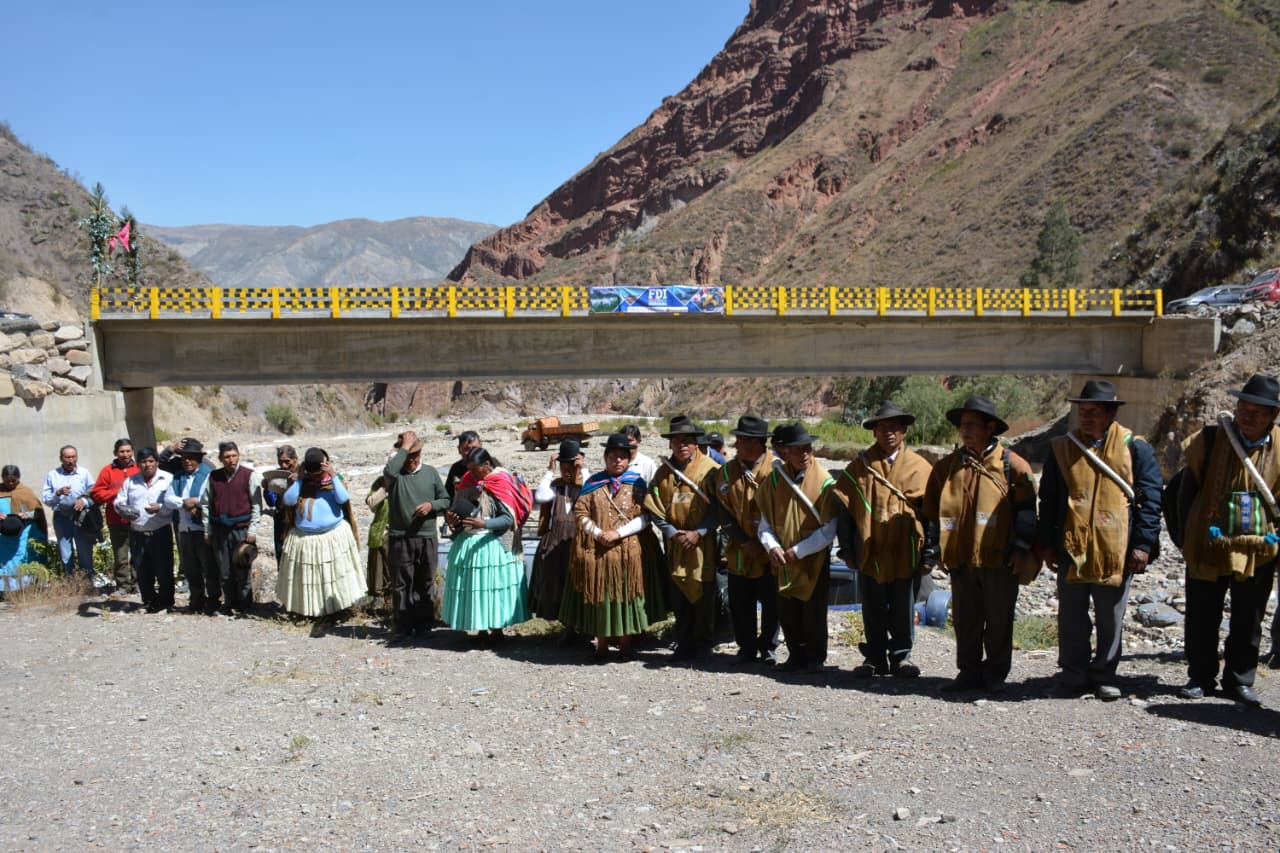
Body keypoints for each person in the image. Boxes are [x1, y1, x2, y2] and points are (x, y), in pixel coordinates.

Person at [1037, 380, 1162, 701]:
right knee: (1071, 615)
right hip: (1072, 547)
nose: (1086, 418)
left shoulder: (1135, 448)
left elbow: (1150, 498)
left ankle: (1105, 674)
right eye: (1083, 412)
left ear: (1110, 414)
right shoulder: (1063, 448)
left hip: (1116, 550)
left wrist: (1144, 543)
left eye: (1094, 412)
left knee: (1111, 616)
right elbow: (1049, 499)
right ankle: (1073, 674)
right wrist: (1047, 543)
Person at [1175, 374, 1280, 706]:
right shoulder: (1207, 440)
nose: (1247, 415)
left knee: (1249, 617)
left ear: (1273, 415)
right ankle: (1200, 676)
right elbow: (1182, 493)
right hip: (1208, 544)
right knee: (1202, 612)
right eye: (1243, 407)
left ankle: (1239, 679)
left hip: (1258, 548)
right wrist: (1185, 538)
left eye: (1257, 411)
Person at [924, 395, 1037, 695]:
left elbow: (1027, 511)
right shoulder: (947, 467)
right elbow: (931, 510)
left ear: (990, 428)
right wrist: (934, 550)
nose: (966, 430)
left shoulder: (1013, 466)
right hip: (961, 559)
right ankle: (969, 672)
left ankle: (996, 674)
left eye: (973, 425)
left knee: (999, 619)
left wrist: (1021, 547)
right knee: (965, 619)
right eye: (963, 425)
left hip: (999, 559)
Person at [831, 402, 934, 679]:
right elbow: (846, 512)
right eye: (883, 427)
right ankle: (875, 658)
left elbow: (931, 514)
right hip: (870, 548)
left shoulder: (920, 468)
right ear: (874, 431)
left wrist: (930, 554)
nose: (889, 432)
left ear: (903, 432)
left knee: (903, 605)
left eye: (895, 427)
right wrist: (847, 549)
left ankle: (901, 658)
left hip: (906, 548)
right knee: (873, 606)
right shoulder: (859, 467)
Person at [560, 433, 651, 661]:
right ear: (605, 457)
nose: (617, 461)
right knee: (601, 597)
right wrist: (599, 533)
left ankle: (625, 645)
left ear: (628, 459)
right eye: (613, 456)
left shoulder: (637, 484)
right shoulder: (593, 484)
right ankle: (601, 645)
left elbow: (645, 517)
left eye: (622, 457)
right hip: (599, 552)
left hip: (627, 552)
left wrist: (618, 533)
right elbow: (580, 513)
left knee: (627, 597)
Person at [645, 415, 720, 663]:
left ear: (696, 443)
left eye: (687, 440)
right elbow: (653, 506)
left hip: (703, 544)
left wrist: (699, 533)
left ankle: (704, 644)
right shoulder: (663, 473)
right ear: (670, 444)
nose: (682, 445)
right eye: (677, 440)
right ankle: (684, 642)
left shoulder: (711, 470)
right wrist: (670, 532)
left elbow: (721, 508)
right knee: (680, 594)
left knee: (703, 594)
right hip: (675, 543)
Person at [442, 448, 530, 643]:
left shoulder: (500, 482)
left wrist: (485, 524)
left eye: (476, 469)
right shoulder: (467, 483)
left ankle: (497, 629)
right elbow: (457, 512)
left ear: (488, 465)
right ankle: (481, 630)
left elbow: (508, 518)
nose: (472, 474)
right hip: (469, 543)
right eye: (470, 469)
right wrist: (452, 519)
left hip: (494, 544)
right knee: (477, 590)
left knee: (493, 588)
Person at [710, 415, 779, 665]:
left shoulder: (777, 469)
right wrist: (743, 540)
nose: (737, 444)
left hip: (771, 549)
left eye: (743, 440)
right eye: (737, 439)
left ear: (759, 443)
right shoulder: (726, 472)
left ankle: (769, 647)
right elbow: (723, 511)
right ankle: (746, 648)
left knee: (772, 602)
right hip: (739, 550)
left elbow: (784, 512)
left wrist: (765, 543)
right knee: (741, 603)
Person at [276, 448, 364, 618]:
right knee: (310, 580)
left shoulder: (334, 482)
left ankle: (336, 610)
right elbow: (288, 500)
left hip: (332, 538)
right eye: (313, 473)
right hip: (306, 540)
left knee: (333, 577)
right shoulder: (302, 483)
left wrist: (333, 475)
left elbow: (343, 498)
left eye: (319, 472)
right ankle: (309, 612)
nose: (316, 477)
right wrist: (300, 481)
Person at [383, 430, 450, 639]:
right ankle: (403, 625)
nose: (412, 460)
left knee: (425, 581)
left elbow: (446, 500)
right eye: (408, 456)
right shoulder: (395, 475)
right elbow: (389, 472)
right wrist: (403, 448)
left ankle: (424, 625)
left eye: (415, 455)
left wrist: (431, 505)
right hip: (401, 537)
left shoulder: (430, 473)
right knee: (402, 583)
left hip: (427, 536)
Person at [528, 440, 587, 627]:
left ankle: (582, 628)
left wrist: (584, 471)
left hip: (578, 543)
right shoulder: (556, 487)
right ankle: (567, 629)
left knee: (579, 585)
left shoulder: (586, 486)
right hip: (557, 544)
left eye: (572, 466)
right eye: (564, 467)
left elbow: (592, 492)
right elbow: (541, 496)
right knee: (557, 586)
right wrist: (549, 471)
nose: (568, 471)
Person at [201, 441, 262, 616]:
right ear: (221, 458)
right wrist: (207, 530)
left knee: (242, 568)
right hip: (220, 530)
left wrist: (253, 530)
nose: (231, 460)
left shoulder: (249, 476)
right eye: (227, 457)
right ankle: (229, 603)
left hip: (242, 530)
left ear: (238, 456)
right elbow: (206, 504)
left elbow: (256, 505)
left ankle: (245, 605)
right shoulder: (213, 477)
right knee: (225, 571)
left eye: (234, 456)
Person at [114, 448, 176, 613]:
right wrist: (121, 507)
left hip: (160, 531)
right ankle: (149, 602)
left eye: (150, 461)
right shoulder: (131, 481)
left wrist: (160, 507)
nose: (147, 465)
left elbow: (174, 503)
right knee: (142, 569)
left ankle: (166, 603)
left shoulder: (168, 479)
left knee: (164, 569)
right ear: (139, 464)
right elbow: (119, 500)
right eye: (143, 461)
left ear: (156, 462)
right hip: (138, 532)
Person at [163, 440, 218, 614]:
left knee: (209, 568)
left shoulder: (209, 475)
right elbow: (168, 499)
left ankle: (213, 603)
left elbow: (210, 497)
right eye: (184, 458)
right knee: (190, 567)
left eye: (191, 458)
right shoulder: (177, 477)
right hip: (184, 529)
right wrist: (184, 503)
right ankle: (196, 601)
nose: (187, 461)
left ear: (198, 459)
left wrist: (196, 502)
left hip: (203, 529)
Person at [41, 445, 98, 577]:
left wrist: (83, 501)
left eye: (73, 457)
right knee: (65, 551)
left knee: (84, 549)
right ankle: (70, 581)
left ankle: (87, 582)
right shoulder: (52, 475)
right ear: (61, 458)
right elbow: (46, 499)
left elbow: (94, 492)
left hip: (81, 516)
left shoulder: (84, 473)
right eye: (67, 457)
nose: (71, 460)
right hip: (62, 516)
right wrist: (58, 493)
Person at [90, 438, 138, 593]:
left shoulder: (139, 468)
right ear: (115, 453)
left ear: (132, 452)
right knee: (121, 554)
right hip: (116, 519)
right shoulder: (107, 471)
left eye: (128, 451)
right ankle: (123, 585)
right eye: (122, 451)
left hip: (138, 519)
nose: (125, 454)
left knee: (138, 552)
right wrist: (116, 493)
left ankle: (138, 584)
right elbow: (97, 493)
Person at [0, 465, 49, 591]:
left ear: (19, 478)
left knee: (22, 558)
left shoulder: (25, 492)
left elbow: (38, 513)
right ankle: (4, 589)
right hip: (3, 537)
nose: (10, 483)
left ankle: (26, 587)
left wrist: (27, 514)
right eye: (7, 481)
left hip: (23, 534)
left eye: (13, 481)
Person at [264, 445, 299, 561]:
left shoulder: (303, 474)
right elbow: (271, 502)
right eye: (280, 461)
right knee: (282, 557)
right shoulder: (276, 476)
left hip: (299, 522)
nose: (283, 465)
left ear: (295, 459)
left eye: (287, 461)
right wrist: (268, 488)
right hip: (281, 521)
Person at [365, 474, 393, 609]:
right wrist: (384, 489)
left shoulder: (408, 481)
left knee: (393, 571)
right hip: (381, 532)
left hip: (399, 533)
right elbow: (371, 503)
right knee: (379, 570)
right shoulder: (381, 482)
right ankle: (384, 604)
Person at [445, 431, 482, 498]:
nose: (472, 452)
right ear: (459, 450)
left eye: (475, 448)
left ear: (481, 446)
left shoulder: (490, 464)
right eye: (467, 449)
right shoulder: (456, 468)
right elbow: (448, 494)